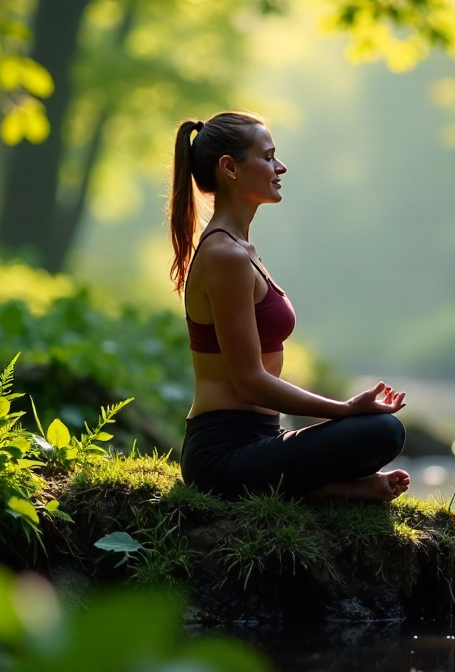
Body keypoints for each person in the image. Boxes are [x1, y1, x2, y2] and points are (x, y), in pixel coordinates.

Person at [169, 110, 410, 501]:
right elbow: (249, 382)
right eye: (267, 157)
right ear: (229, 168)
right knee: (382, 432)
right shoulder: (224, 256)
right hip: (222, 456)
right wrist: (344, 409)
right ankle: (339, 490)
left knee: (383, 433)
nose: (280, 167)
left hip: (263, 438)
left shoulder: (241, 251)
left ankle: (330, 487)